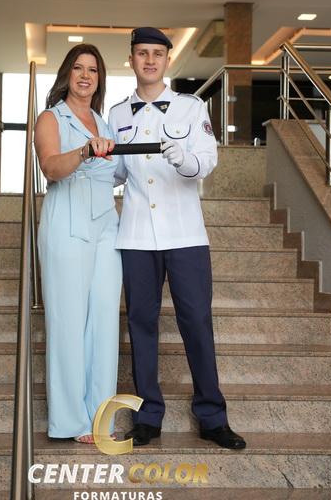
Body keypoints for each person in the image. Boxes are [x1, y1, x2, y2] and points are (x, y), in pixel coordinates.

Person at [108, 27, 246, 450]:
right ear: (131, 60)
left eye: (157, 53)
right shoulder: (117, 113)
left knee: (196, 322)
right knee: (141, 325)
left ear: (168, 60)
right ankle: (148, 417)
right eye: (142, 53)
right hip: (136, 236)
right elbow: (116, 173)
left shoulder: (191, 106)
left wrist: (182, 158)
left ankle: (212, 417)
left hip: (185, 235)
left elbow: (206, 162)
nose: (149, 60)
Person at [35, 44, 122, 444]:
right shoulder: (51, 118)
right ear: (67, 74)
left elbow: (117, 173)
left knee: (104, 323)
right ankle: (71, 421)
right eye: (78, 68)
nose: (85, 75)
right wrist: (85, 150)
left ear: (99, 78)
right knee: (68, 323)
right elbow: (50, 166)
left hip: (106, 227)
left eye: (93, 70)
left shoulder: (105, 123)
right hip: (66, 224)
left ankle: (100, 417)